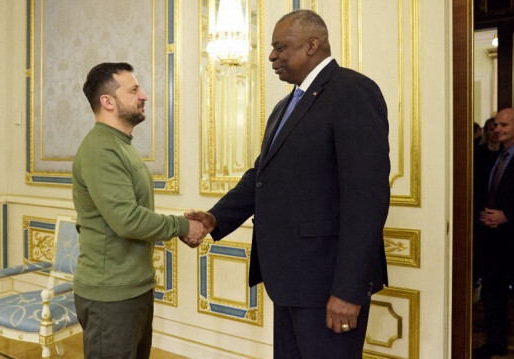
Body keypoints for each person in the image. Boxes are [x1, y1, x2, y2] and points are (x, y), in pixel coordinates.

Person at [185, 10, 390, 358]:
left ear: (313, 45)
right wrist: (213, 218)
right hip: (290, 281)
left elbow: (366, 199)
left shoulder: (352, 92)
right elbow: (261, 177)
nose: (271, 56)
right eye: (272, 48)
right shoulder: (285, 106)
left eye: (281, 48)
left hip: (328, 285)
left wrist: (348, 291)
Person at [72, 62, 207, 358]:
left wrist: (179, 223)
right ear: (107, 101)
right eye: (134, 89)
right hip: (110, 294)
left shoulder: (121, 145)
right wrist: (185, 227)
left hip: (133, 288)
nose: (144, 95)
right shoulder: (101, 149)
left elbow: (132, 212)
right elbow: (127, 220)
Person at [474, 108, 514, 359]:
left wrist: (507, 215)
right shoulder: (490, 157)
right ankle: (495, 342)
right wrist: (479, 213)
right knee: (492, 295)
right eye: (496, 125)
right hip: (491, 242)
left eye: (503, 125)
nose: (497, 130)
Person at [472, 117, 501, 291]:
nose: (495, 132)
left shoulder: (505, 154)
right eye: (492, 128)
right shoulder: (477, 153)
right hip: (480, 209)